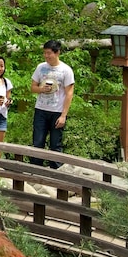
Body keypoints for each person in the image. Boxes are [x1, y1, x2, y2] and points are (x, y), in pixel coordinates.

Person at [30, 40, 74, 169]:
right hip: (41, 109)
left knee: (55, 144)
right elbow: (33, 87)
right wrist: (41, 89)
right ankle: (35, 170)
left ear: (57, 52)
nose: (47, 56)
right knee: (38, 141)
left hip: (57, 111)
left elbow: (69, 93)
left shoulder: (66, 70)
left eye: (49, 53)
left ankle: (55, 173)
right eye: (45, 53)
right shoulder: (40, 67)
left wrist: (63, 115)